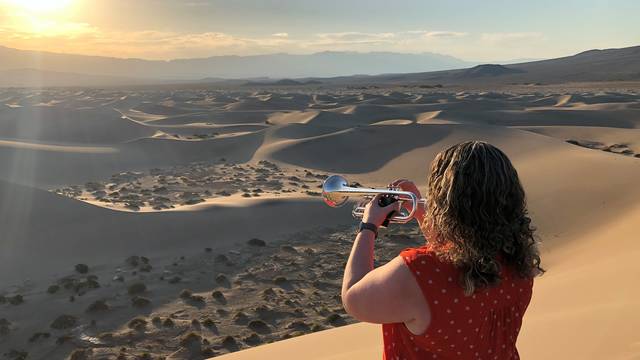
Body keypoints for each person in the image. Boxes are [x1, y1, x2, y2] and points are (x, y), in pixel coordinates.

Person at [341, 141, 544, 360]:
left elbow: (353, 297)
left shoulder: (419, 271)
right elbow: (457, 254)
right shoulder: (518, 262)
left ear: (445, 200)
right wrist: (420, 211)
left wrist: (368, 226)